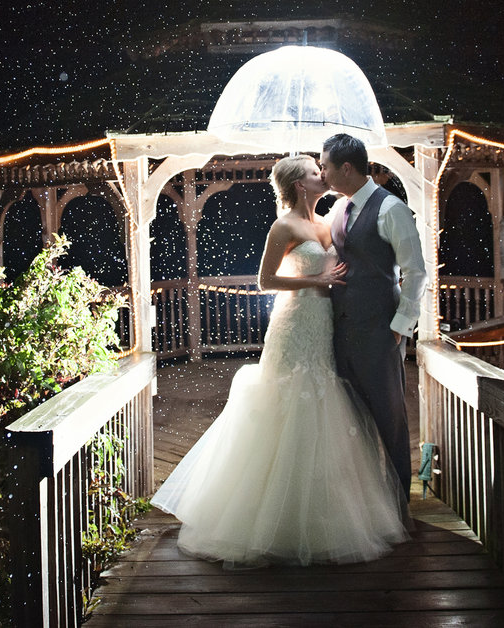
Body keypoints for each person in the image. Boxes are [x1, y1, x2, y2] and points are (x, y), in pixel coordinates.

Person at [151, 154, 411, 567]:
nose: (321, 174)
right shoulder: (284, 226)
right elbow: (265, 280)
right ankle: (270, 517)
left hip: (325, 322)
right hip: (294, 321)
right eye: (313, 172)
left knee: (324, 399)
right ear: (298, 184)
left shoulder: (328, 222)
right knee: (289, 399)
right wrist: (316, 279)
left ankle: (324, 512)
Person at [319, 133, 427, 500]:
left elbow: (416, 272)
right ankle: (366, 503)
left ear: (345, 168)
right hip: (341, 331)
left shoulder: (390, 208)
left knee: (389, 419)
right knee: (352, 420)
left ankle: (399, 505)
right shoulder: (339, 208)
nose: (321, 171)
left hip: (380, 331)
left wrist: (400, 327)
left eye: (325, 165)